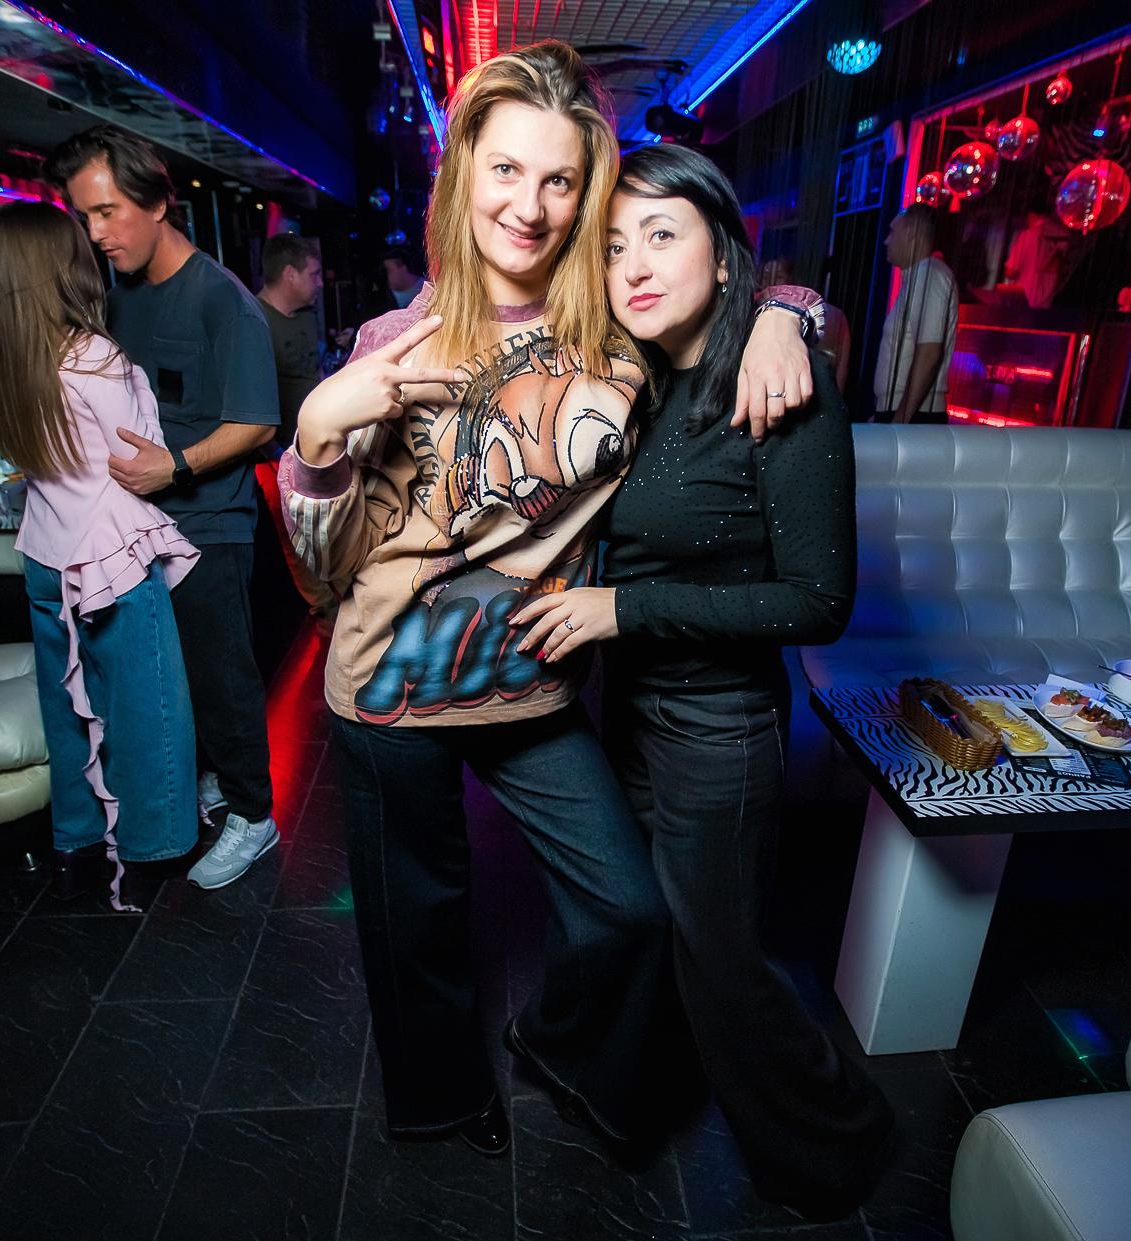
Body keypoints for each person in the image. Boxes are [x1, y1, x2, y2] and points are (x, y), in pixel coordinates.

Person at [278, 41, 821, 1160]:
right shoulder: (393, 342)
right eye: (507, 170)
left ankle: (561, 1046)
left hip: (531, 682)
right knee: (418, 920)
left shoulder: (617, 333)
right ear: (463, 172)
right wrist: (317, 439)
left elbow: (722, 285)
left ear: (586, 194)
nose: (529, 207)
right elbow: (324, 566)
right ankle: (438, 1102)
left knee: (628, 907)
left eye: (560, 180)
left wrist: (787, 311)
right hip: (387, 686)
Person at [513, 144, 893, 1218]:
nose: (633, 264)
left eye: (661, 234)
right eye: (614, 245)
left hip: (719, 729)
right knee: (646, 931)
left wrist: (620, 609)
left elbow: (818, 602)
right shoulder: (637, 378)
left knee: (722, 962)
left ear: (724, 255)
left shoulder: (777, 385)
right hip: (630, 709)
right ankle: (613, 1084)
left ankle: (837, 1149)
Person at [47, 125, 282, 891]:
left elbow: (257, 425)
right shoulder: (121, 298)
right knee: (168, 680)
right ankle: (215, 780)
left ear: (157, 203)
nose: (96, 232)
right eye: (84, 215)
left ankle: (255, 814)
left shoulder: (223, 302)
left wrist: (174, 466)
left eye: (107, 211)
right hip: (135, 528)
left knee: (221, 677)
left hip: (209, 522)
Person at [0, 200, 201, 912]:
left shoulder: (7, 361)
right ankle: (154, 851)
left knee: (67, 711)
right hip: (110, 552)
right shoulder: (91, 354)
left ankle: (76, 846)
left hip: (46, 549)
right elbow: (139, 458)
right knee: (147, 709)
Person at [873, 203, 957, 424]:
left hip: (915, 416)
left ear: (911, 233)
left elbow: (929, 352)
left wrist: (900, 419)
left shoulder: (929, 274)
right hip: (903, 411)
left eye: (892, 232)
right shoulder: (917, 276)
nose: (886, 241)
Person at [257, 233, 325, 446]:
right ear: (290, 274)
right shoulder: (255, 321)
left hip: (318, 439)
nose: (320, 283)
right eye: (314, 274)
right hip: (284, 449)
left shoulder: (308, 315)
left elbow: (315, 372)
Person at [760, 257, 851, 393]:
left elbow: (842, 369)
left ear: (792, 279)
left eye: (778, 277)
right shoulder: (752, 310)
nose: (771, 283)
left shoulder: (832, 316)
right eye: (765, 277)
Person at [379, 243, 426, 309]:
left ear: (403, 268)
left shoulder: (427, 287)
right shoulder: (385, 299)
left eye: (389, 270)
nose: (386, 275)